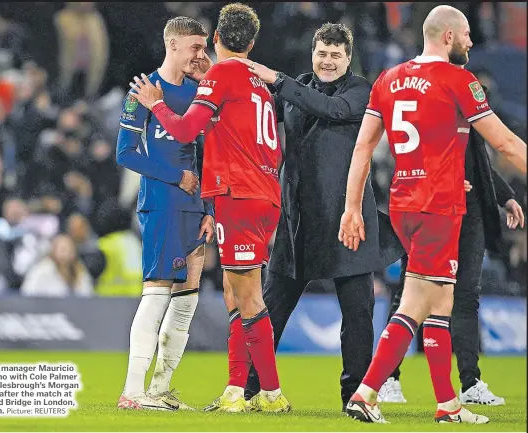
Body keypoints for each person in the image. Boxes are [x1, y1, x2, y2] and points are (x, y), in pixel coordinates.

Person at [338, 5, 527, 424]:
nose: (471, 42)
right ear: (447, 37)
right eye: (465, 35)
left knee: (441, 302)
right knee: (416, 304)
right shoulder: (459, 79)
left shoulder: (387, 79)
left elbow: (364, 148)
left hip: (405, 203)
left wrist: (353, 206)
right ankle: (367, 393)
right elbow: (505, 144)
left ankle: (448, 406)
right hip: (438, 207)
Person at [231, 23, 404, 411]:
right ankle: (248, 388)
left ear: (347, 58)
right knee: (269, 310)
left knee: (358, 316)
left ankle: (355, 397)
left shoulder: (359, 90)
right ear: (313, 53)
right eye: (322, 53)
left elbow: (332, 109)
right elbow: (256, 111)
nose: (327, 61)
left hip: (349, 221)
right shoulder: (293, 91)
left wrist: (277, 79)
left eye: (335, 55)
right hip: (298, 222)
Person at [128, 3, 290, 413]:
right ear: (251, 43)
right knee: (234, 294)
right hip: (261, 191)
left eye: (205, 45)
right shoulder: (259, 80)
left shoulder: (221, 75)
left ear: (217, 38)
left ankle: (270, 393)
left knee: (247, 296)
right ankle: (236, 389)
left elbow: (183, 129)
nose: (200, 55)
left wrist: (155, 104)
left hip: (237, 194)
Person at [379, 95, 525, 405]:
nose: (469, 42)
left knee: (466, 297)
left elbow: (480, 164)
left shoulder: (466, 109)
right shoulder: (432, 102)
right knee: (410, 294)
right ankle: (387, 379)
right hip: (432, 209)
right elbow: (411, 156)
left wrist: (506, 196)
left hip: (469, 216)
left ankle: (470, 383)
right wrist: (444, 182)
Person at [115, 16, 215, 411]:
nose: (200, 54)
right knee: (156, 293)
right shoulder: (143, 91)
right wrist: (177, 177)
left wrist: (207, 207)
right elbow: (125, 153)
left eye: (204, 47)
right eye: (194, 47)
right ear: (171, 45)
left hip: (194, 207)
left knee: (186, 299)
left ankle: (160, 389)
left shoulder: (199, 91)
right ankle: (133, 391)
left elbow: (205, 157)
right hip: (163, 202)